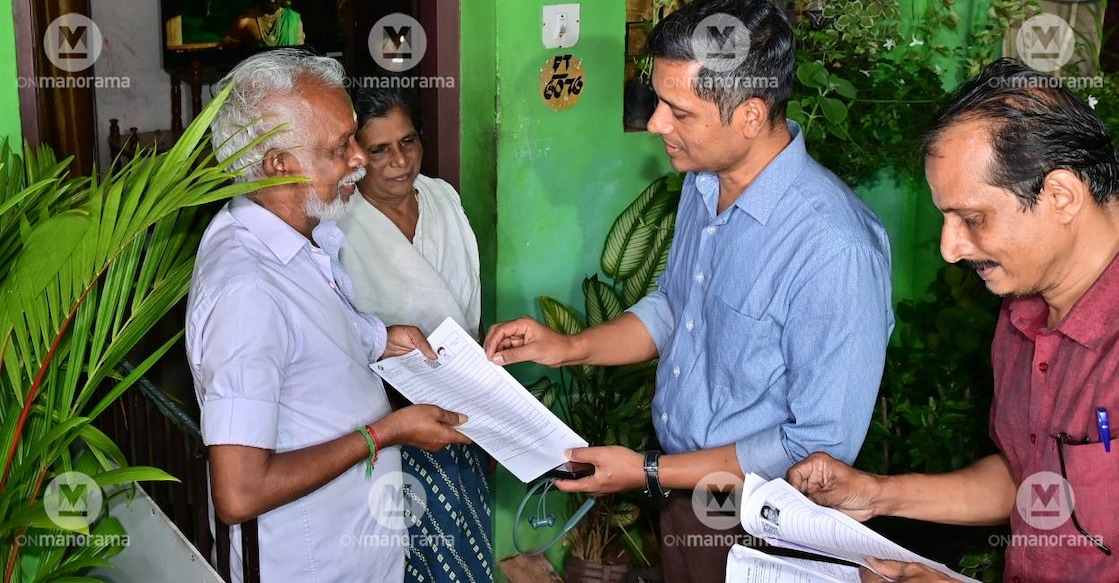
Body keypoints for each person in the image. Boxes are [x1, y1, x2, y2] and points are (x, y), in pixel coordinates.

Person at [482, 1, 893, 580]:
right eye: (658, 102)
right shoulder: (705, 185)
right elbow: (676, 308)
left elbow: (817, 447)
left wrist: (648, 472)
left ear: (750, 115)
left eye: (678, 111)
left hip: (771, 526)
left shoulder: (834, 249)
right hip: (690, 495)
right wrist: (569, 347)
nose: (655, 124)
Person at [787, 58, 1119, 583]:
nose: (950, 248)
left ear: (1061, 195)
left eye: (972, 218)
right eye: (946, 217)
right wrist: (878, 493)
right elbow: (1026, 475)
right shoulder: (1021, 313)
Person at [185, 49, 470, 582]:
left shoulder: (294, 237)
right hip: (314, 563)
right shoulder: (247, 289)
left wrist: (381, 339)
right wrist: (384, 434)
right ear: (277, 165)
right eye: (341, 148)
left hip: (353, 547)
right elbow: (239, 493)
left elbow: (312, 338)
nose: (361, 159)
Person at [336, 86, 492, 583]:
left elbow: (468, 311)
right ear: (355, 154)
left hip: (465, 409)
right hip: (388, 428)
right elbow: (340, 341)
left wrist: (486, 393)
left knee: (469, 547)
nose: (399, 162)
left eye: (408, 142)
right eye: (379, 150)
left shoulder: (443, 198)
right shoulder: (339, 224)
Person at [223, 0, 304, 48]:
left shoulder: (293, 19)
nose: (272, 0)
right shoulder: (244, 21)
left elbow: (299, 54)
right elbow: (229, 54)